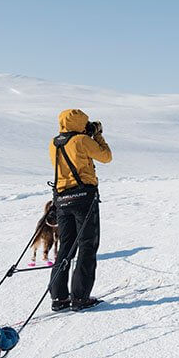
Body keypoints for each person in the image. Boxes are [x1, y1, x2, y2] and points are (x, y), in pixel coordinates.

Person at [47, 109, 112, 312]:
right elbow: (106, 157)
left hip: (62, 199)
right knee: (87, 246)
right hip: (84, 198)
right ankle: (80, 297)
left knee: (66, 247)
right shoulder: (82, 141)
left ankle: (59, 297)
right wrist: (97, 134)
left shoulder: (54, 143)